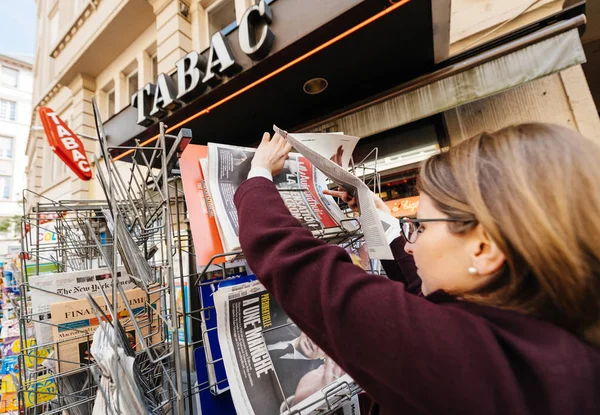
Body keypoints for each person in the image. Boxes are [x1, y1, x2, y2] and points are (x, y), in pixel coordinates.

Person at [233, 123, 600, 414]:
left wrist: (259, 175)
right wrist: (384, 223)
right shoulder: (545, 347)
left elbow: (302, 269)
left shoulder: (467, 361)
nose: (410, 244)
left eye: (420, 227)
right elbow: (421, 303)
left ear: (485, 248)